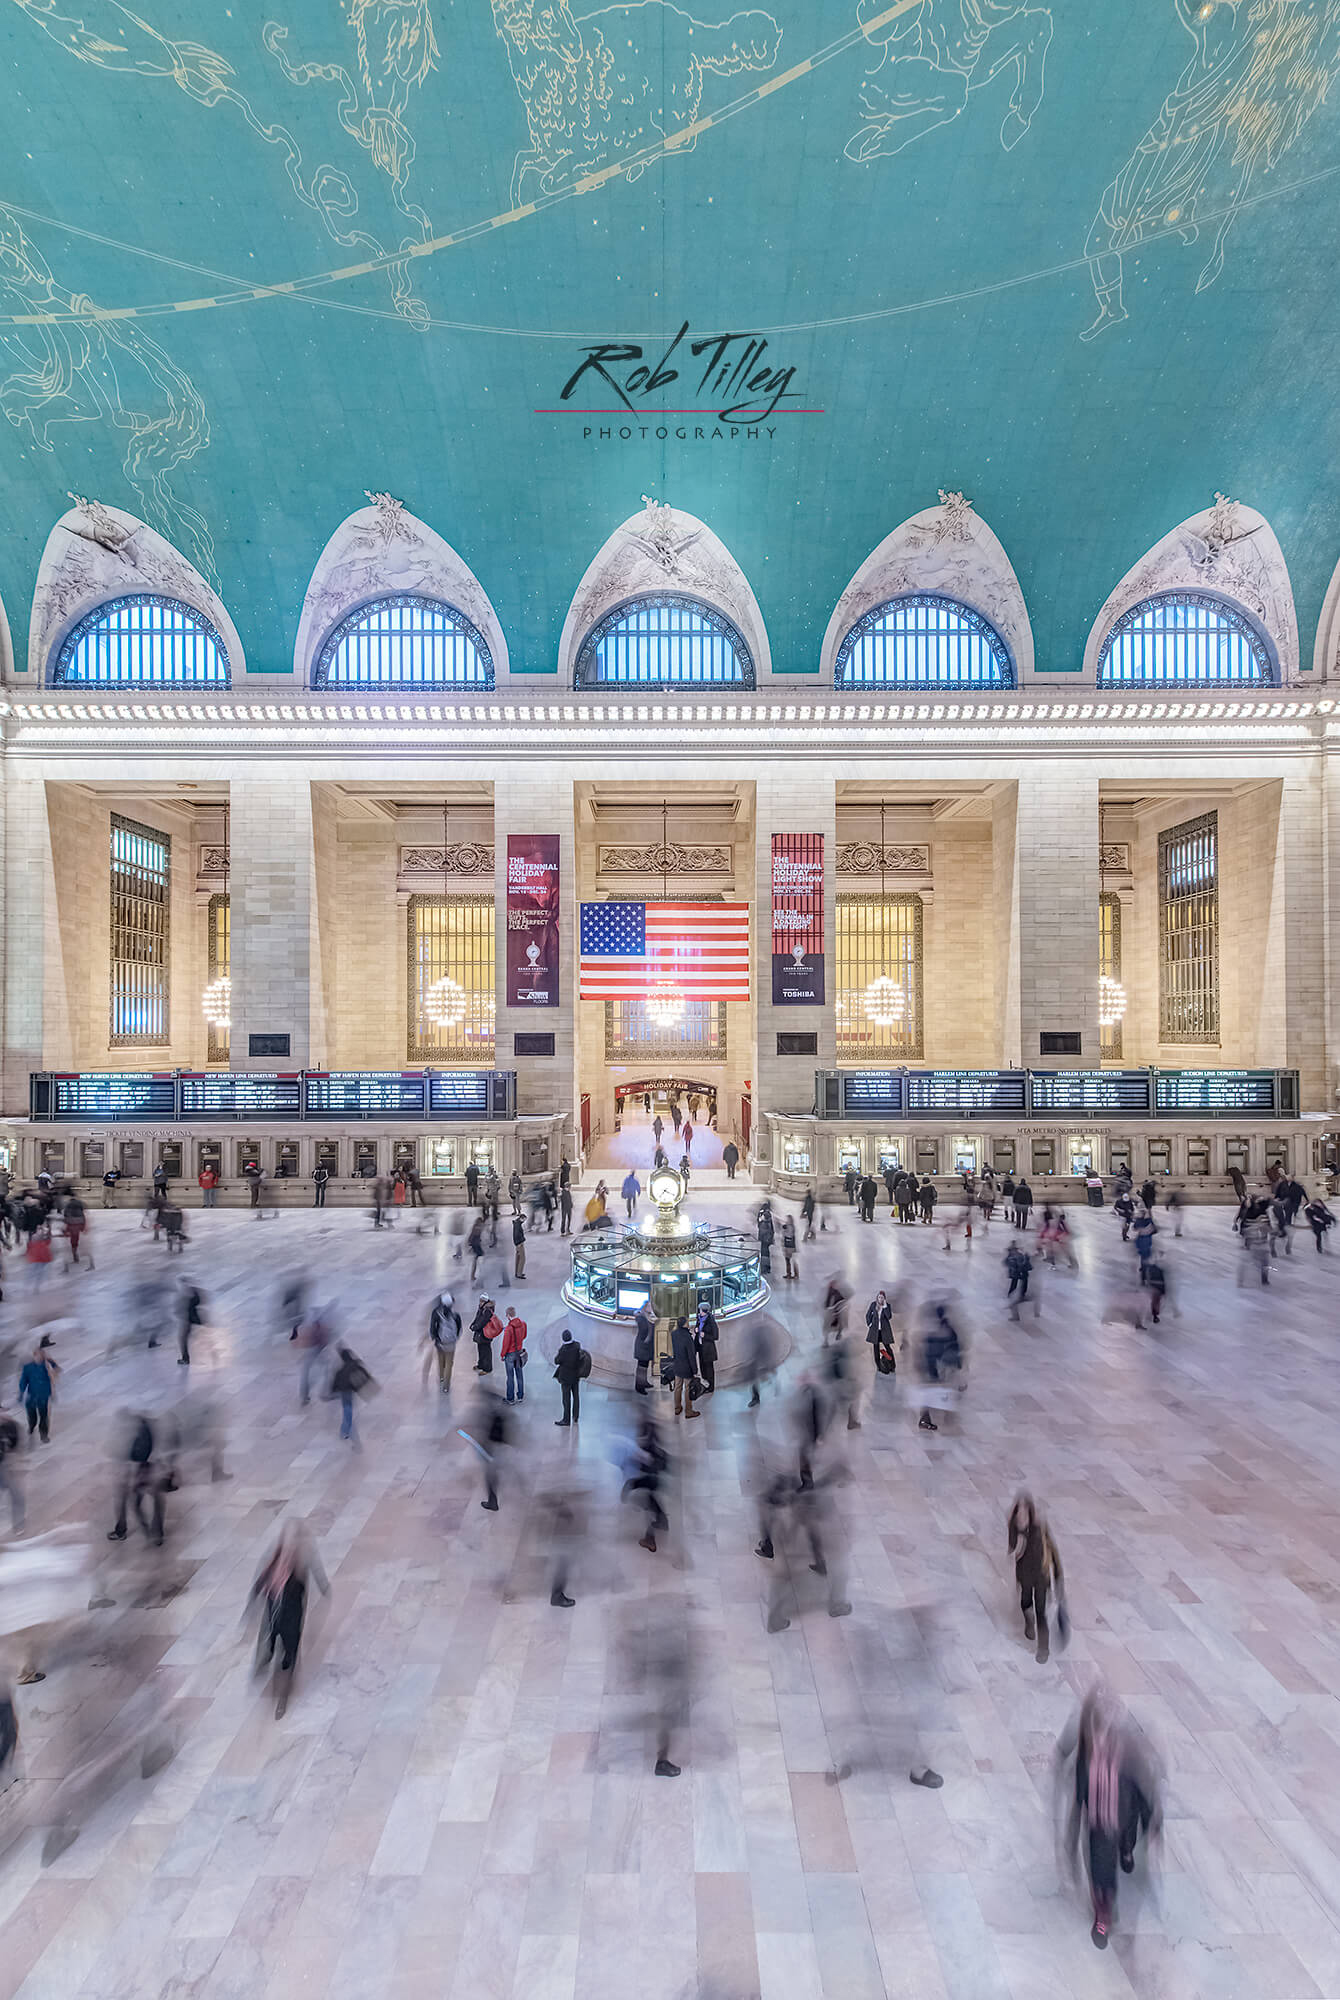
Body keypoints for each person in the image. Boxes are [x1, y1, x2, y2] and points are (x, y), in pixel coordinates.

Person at [248, 1522, 331, 1719]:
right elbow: (259, 1582)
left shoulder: (303, 1561)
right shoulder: (272, 1558)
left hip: (291, 1618)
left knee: (288, 1657)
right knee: (267, 1645)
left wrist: (324, 1587)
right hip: (273, 1615)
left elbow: (316, 1570)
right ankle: (263, 1663)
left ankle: (282, 1700)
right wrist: (252, 1604)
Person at [1007, 1493, 1064, 1664]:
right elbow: (1012, 1549)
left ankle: (1043, 1649)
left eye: (1025, 1512)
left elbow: (1053, 1553)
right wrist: (1018, 1535)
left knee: (1041, 1612)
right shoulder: (1015, 1528)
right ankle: (1028, 1620)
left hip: (1041, 1577)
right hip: (1025, 1576)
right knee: (1025, 1602)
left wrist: (1058, 1578)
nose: (1022, 1516)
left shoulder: (1040, 1529)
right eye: (1019, 1513)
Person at [329, 1343, 372, 1444]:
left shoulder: (341, 1369)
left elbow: (335, 1381)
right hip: (350, 1390)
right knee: (348, 1410)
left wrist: (332, 1392)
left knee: (347, 1409)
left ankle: (344, 1431)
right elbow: (364, 1374)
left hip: (345, 1391)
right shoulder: (355, 1364)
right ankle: (344, 1431)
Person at [18, 1341, 58, 1443]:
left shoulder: (47, 1366)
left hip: (43, 1395)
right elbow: (23, 1381)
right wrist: (21, 1393)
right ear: (35, 1355)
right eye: (40, 1355)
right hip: (32, 1396)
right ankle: (31, 1427)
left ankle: (44, 1435)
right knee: (33, 1418)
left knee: (44, 1416)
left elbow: (57, 1369)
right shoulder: (28, 1367)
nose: (41, 1357)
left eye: (43, 1355)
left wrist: (50, 1360)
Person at [422, 1291, 460, 1394]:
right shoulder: (455, 1314)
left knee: (440, 1360)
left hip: (440, 1342)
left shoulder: (436, 1312)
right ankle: (446, 1386)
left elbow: (432, 1327)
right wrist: (456, 1338)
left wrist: (434, 1338)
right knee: (449, 1364)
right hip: (451, 1343)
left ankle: (441, 1377)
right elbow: (459, 1327)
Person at [295, 1309, 332, 1407]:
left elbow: (302, 1340)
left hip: (310, 1351)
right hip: (317, 1350)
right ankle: (326, 1392)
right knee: (327, 1369)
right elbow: (325, 1340)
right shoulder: (321, 1327)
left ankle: (304, 1395)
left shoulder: (308, 1327)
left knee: (306, 1373)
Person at [553, 1329, 585, 1426]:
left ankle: (566, 1420)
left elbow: (557, 1361)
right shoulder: (577, 1346)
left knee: (566, 1399)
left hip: (566, 1378)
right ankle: (575, 1416)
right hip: (575, 1376)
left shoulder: (563, 1350)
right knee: (576, 1396)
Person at [670, 1315, 698, 1420]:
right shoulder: (688, 1337)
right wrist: (695, 1370)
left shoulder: (674, 1334)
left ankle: (677, 1408)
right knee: (688, 1388)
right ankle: (689, 1411)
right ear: (684, 1324)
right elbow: (691, 1355)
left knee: (677, 1387)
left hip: (677, 1364)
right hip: (686, 1367)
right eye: (687, 1322)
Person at [500, 1307, 527, 1403]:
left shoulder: (509, 1329)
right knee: (519, 1375)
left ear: (508, 1315)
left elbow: (505, 1344)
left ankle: (510, 1398)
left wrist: (502, 1354)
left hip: (510, 1354)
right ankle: (520, 1396)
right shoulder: (523, 1324)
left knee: (510, 1377)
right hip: (519, 1352)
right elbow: (524, 1336)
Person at [865, 1291, 895, 1376]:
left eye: (882, 1297)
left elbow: (889, 1316)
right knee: (876, 1347)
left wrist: (885, 1306)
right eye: (879, 1297)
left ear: (884, 1298)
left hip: (884, 1330)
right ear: (877, 1297)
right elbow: (868, 1315)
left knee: (888, 1347)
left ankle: (892, 1366)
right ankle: (878, 1366)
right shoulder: (873, 1305)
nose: (880, 1299)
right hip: (875, 1330)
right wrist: (869, 1324)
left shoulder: (887, 1306)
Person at [472, 1297, 502, 1374]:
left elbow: (482, 1321)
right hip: (481, 1334)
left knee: (486, 1351)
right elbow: (477, 1318)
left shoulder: (487, 1310)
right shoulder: (481, 1308)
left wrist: (475, 1327)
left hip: (485, 1334)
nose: (480, 1302)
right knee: (481, 1350)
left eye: (482, 1301)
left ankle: (487, 1368)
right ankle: (481, 1365)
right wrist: (473, 1324)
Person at [633, 1302, 656, 1395]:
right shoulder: (641, 1318)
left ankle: (644, 1382)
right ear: (645, 1307)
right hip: (642, 1346)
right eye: (649, 1306)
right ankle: (639, 1386)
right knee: (641, 1366)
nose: (651, 1308)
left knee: (645, 1366)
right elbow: (644, 1331)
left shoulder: (649, 1317)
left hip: (647, 1346)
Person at [178, 1284, 204, 1366]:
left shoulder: (189, 1297)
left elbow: (186, 1309)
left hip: (188, 1322)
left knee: (183, 1340)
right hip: (189, 1321)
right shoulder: (193, 1295)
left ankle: (185, 1359)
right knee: (183, 1340)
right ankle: (185, 1358)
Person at [695, 1305, 719, 1394]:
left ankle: (711, 1386)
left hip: (708, 1349)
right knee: (702, 1368)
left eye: (700, 1310)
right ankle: (705, 1384)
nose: (699, 1312)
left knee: (709, 1369)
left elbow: (716, 1336)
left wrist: (705, 1336)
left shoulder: (711, 1321)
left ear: (704, 1311)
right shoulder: (699, 1318)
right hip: (701, 1348)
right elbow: (697, 1330)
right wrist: (696, 1330)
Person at [62, 1193, 89, 1266]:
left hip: (71, 1222)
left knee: (73, 1238)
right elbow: (83, 1211)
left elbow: (65, 1214)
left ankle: (74, 1252)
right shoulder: (80, 1203)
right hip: (79, 1222)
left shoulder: (67, 1204)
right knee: (76, 1237)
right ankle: (76, 1249)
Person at [467, 1213, 488, 1283]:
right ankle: (473, 1275)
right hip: (476, 1245)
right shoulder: (477, 1228)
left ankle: (473, 1275)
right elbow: (473, 1236)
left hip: (475, 1245)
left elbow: (472, 1236)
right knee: (477, 1259)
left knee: (477, 1259)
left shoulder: (476, 1227)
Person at [756, 1200, 775, 1274]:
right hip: (767, 1240)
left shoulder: (764, 1224)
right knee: (766, 1253)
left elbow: (762, 1231)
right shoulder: (769, 1222)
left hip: (764, 1240)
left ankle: (765, 1268)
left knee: (764, 1253)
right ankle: (767, 1267)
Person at [780, 1213, 798, 1278]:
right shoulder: (790, 1226)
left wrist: (784, 1230)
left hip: (789, 1246)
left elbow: (789, 1235)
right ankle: (791, 1273)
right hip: (789, 1246)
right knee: (789, 1260)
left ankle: (790, 1274)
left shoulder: (790, 1227)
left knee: (788, 1260)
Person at [511, 1210, 527, 1282]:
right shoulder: (518, 1225)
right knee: (522, 1259)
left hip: (517, 1243)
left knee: (518, 1258)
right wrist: (520, 1242)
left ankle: (517, 1272)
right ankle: (519, 1273)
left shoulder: (516, 1223)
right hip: (519, 1243)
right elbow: (517, 1235)